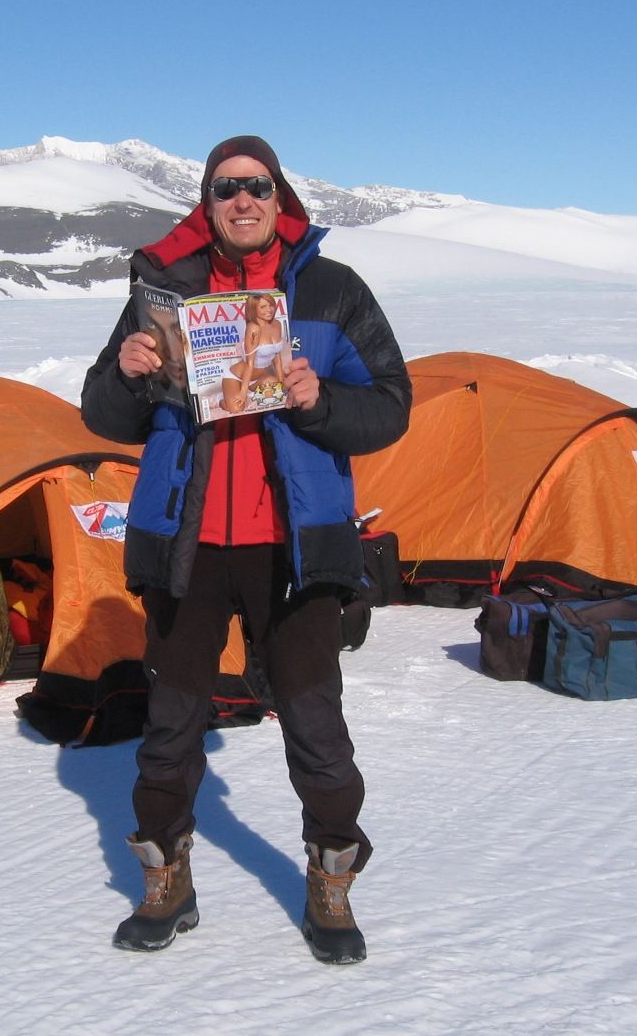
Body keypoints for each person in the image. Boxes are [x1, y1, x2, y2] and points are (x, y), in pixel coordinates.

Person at [81, 135, 411, 964]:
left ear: (278, 196)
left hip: (294, 548)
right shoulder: (163, 291)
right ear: (208, 200)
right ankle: (167, 879)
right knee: (170, 726)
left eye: (257, 186)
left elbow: (392, 405)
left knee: (316, 725)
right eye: (226, 187)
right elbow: (102, 412)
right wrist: (127, 372)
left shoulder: (332, 290)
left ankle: (331, 879)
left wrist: (319, 399)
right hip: (187, 542)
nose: (242, 200)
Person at [221, 292, 288, 413]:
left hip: (258, 379)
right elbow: (249, 364)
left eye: (271, 305)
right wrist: (242, 393)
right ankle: (221, 400)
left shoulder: (277, 324)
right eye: (263, 307)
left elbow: (277, 358)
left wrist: (281, 382)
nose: (269, 310)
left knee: (277, 395)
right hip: (237, 377)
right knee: (236, 409)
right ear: (253, 309)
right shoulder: (253, 328)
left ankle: (250, 394)